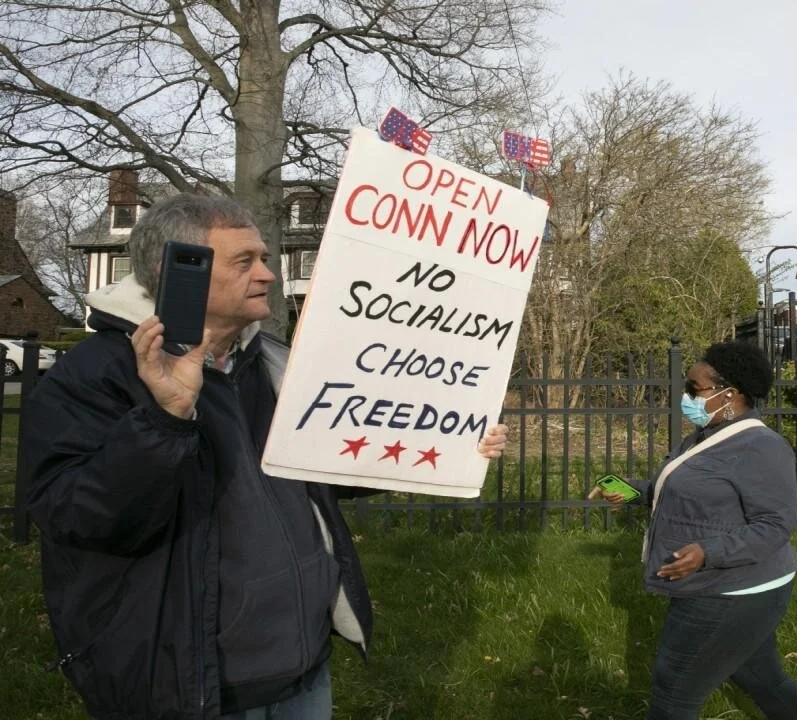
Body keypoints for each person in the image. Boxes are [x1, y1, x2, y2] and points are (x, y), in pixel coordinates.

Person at [21, 193, 508, 720]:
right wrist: (164, 418)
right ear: (178, 272)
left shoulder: (274, 362)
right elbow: (79, 517)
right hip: (188, 685)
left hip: (302, 671)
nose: (268, 275)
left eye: (265, 259)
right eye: (244, 261)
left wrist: (448, 444)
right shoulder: (96, 373)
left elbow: (327, 467)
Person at [590, 340, 797, 720]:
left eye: (694, 390)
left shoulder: (763, 447)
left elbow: (777, 524)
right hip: (723, 586)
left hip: (733, 590)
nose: (686, 397)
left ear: (731, 394)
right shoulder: (704, 437)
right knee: (759, 675)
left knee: (673, 689)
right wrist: (628, 492)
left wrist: (708, 553)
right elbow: (676, 491)